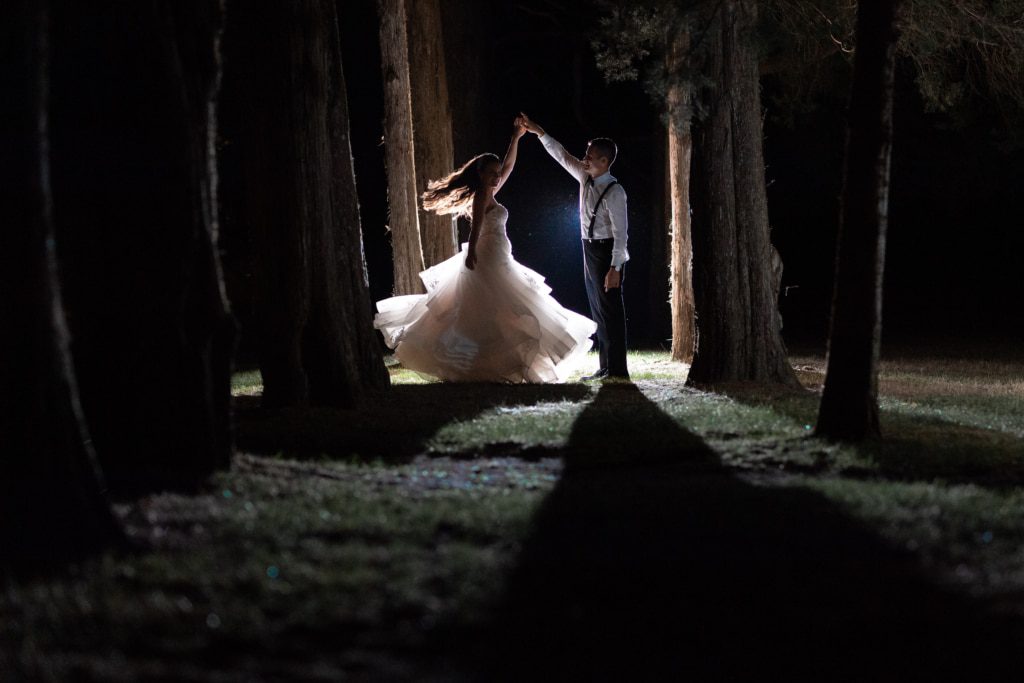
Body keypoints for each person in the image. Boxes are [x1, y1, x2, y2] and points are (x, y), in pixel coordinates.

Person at [373, 119, 597, 383]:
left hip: (501, 256)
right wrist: (471, 254)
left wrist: (516, 138)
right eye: (491, 172)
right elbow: (476, 225)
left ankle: (499, 362)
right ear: (480, 175)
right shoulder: (481, 194)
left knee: (505, 310)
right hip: (488, 256)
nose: (496, 176)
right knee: (496, 308)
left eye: (496, 172)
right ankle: (477, 362)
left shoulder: (491, 191)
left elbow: (509, 167)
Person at [518, 112, 629, 380]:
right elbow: (562, 155)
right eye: (586, 155)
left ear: (604, 161)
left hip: (607, 251)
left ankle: (617, 370)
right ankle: (605, 367)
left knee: (610, 310)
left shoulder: (615, 191)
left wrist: (615, 268)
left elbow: (621, 234)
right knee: (598, 309)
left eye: (590, 156)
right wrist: (539, 132)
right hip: (588, 248)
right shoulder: (584, 176)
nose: (585, 159)